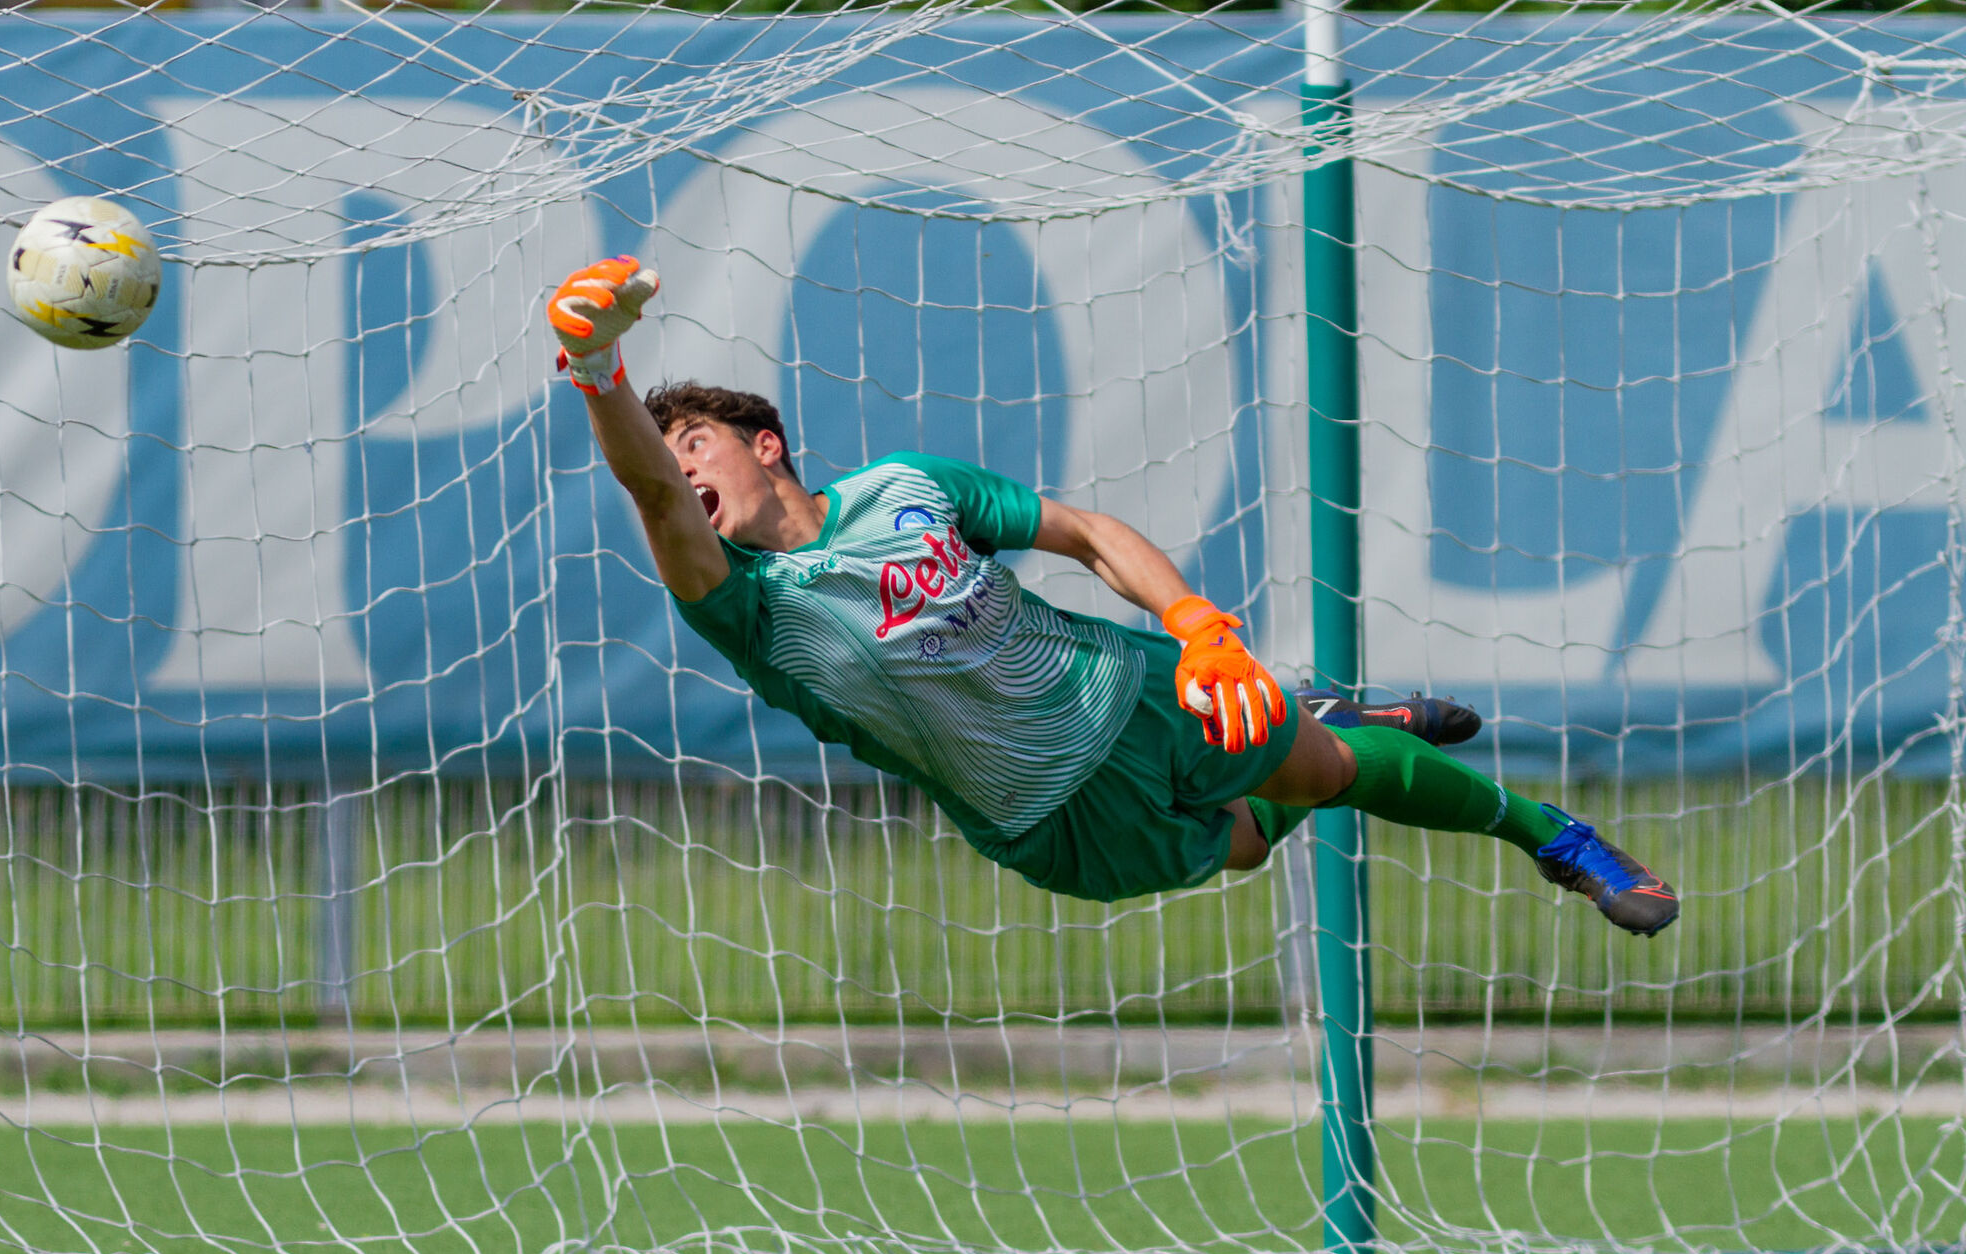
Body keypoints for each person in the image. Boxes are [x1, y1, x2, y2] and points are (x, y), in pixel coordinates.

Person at [546, 256, 1677, 935]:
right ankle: (1320, 708)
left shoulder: (906, 488)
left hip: (1128, 696)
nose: (681, 467)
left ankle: (1558, 839)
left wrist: (1194, 626)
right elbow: (651, 499)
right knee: (1246, 844)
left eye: (694, 440)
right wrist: (602, 373)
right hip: (1042, 818)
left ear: (768, 444)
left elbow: (1085, 534)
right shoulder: (740, 601)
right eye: (667, 455)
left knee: (1327, 779)